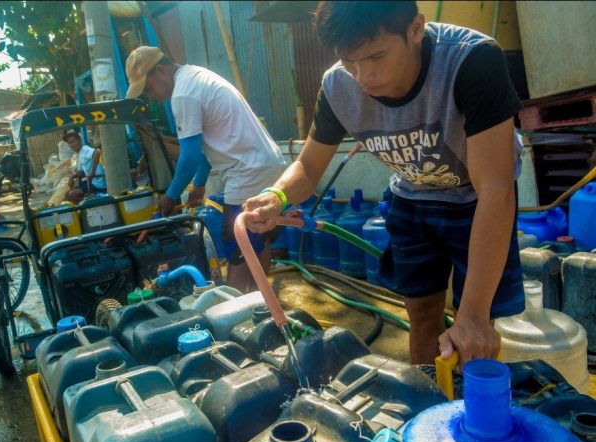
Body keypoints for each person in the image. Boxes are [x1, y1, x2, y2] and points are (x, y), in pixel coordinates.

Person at [243, 1, 525, 366]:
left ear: (416, 29)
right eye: (350, 61)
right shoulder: (337, 86)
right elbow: (308, 168)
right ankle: (423, 399)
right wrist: (276, 195)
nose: (363, 77)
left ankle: (478, 414)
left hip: (476, 200)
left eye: (376, 57)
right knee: (422, 313)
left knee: (476, 325)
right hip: (411, 198)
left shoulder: (472, 61)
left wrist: (471, 313)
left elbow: (496, 189)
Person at [125, 46, 286, 292]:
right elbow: (205, 147)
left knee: (239, 249)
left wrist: (169, 197)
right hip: (267, 164)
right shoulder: (196, 76)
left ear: (160, 70)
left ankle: (238, 318)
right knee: (258, 240)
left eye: (149, 89)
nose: (153, 97)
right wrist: (199, 183)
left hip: (246, 173)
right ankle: (262, 305)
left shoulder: (183, 95)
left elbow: (189, 156)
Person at [64, 129, 107, 204]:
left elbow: (97, 152)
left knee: (71, 195)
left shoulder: (85, 149)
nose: (72, 144)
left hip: (98, 183)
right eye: (69, 143)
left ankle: (83, 209)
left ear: (79, 141)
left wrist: (92, 172)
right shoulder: (80, 154)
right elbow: (81, 172)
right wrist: (71, 176)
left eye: (73, 141)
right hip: (90, 181)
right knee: (67, 194)